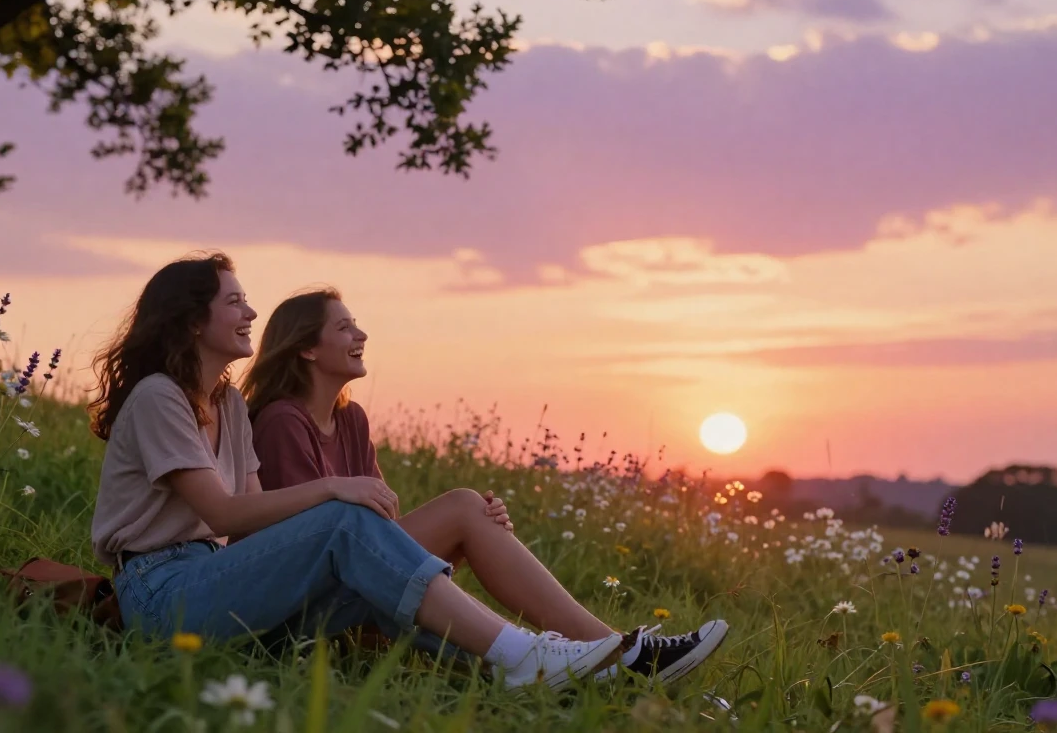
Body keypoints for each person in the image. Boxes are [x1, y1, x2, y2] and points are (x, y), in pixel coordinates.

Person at [87, 252, 625, 691]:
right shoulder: (160, 396)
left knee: (368, 543)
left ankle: (583, 667)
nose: (250, 313)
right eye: (234, 302)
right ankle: (531, 655)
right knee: (343, 517)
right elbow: (221, 510)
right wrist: (332, 491)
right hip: (164, 595)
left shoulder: (227, 403)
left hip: (221, 581)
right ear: (191, 319)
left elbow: (248, 529)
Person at [241, 287, 729, 686]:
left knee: (471, 512)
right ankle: (623, 653)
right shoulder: (284, 421)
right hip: (306, 617)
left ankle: (602, 658)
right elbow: (320, 545)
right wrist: (460, 525)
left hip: (355, 593)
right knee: (462, 507)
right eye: (344, 326)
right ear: (306, 347)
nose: (361, 333)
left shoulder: (351, 419)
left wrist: (476, 534)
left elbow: (381, 530)